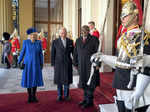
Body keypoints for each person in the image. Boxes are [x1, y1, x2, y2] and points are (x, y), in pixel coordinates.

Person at [112, 1, 142, 112]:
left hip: (131, 81)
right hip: (119, 78)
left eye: (125, 15)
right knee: (120, 106)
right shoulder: (122, 37)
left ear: (135, 16)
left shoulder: (143, 37)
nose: (122, 18)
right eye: (122, 16)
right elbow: (118, 60)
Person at [73, 25, 99, 108]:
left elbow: (98, 53)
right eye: (82, 30)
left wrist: (98, 64)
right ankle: (85, 99)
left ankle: (89, 101)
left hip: (91, 66)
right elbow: (75, 53)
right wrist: (75, 63)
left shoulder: (94, 39)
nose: (84, 32)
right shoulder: (78, 40)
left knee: (90, 84)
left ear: (88, 31)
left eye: (86, 30)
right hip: (81, 65)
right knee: (83, 83)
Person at [18, 27, 44, 103]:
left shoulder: (39, 42)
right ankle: (29, 96)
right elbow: (22, 52)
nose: (33, 36)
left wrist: (42, 63)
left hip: (36, 64)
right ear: (29, 35)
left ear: (36, 35)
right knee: (29, 80)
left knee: (35, 80)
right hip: (28, 65)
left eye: (34, 35)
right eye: (31, 35)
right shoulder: (26, 42)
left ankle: (34, 96)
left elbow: (40, 54)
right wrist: (19, 61)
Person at [51, 27, 74, 101]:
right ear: (59, 34)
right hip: (58, 63)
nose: (63, 34)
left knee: (67, 80)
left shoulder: (70, 41)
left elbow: (74, 53)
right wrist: (53, 64)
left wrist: (76, 61)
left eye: (64, 33)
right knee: (59, 80)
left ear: (66, 33)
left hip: (68, 63)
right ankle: (59, 95)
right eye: (61, 33)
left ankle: (66, 95)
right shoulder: (55, 42)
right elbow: (52, 54)